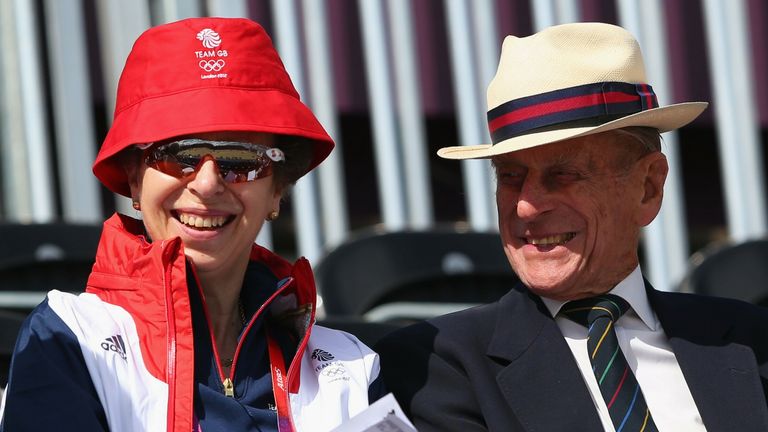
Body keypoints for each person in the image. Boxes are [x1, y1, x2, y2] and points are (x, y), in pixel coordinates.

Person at [375, 22, 768, 432]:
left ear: (648, 187)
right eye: (509, 176)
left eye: (563, 175)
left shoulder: (751, 338)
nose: (526, 206)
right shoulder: (431, 362)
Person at [0, 17, 384, 431]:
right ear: (134, 177)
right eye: (176, 154)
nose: (206, 183)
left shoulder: (352, 369)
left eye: (240, 160)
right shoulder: (70, 339)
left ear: (277, 190)